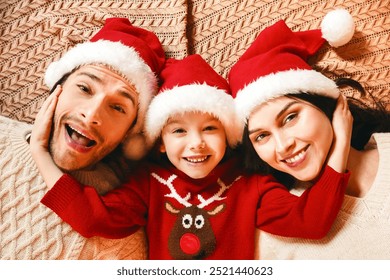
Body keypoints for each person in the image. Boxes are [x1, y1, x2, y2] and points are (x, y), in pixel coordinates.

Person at [32, 54, 350, 260]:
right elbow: (92, 218)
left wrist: (341, 145)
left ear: (228, 134)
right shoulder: (148, 183)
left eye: (210, 128)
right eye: (179, 132)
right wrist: (41, 153)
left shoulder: (249, 182)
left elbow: (312, 221)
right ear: (159, 143)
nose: (195, 144)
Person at [228, 9, 390, 259]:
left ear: (328, 104)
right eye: (261, 136)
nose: (282, 146)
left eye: (290, 118)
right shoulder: (278, 236)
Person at [0, 17, 165, 259]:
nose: (91, 115)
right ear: (58, 88)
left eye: (118, 108)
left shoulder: (120, 233)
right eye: (85, 88)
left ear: (128, 134)